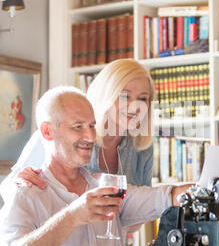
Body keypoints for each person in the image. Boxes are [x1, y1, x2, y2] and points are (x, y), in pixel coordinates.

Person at [0, 86, 188, 246]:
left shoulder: (105, 187)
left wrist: (204, 188)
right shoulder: (26, 192)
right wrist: (72, 216)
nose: (90, 137)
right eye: (77, 126)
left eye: (92, 126)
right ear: (48, 132)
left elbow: (166, 197)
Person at [3, 59, 155, 191]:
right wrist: (20, 182)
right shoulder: (60, 133)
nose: (135, 107)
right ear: (106, 94)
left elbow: (145, 204)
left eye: (142, 99)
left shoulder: (141, 147)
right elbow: (8, 188)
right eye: (125, 96)